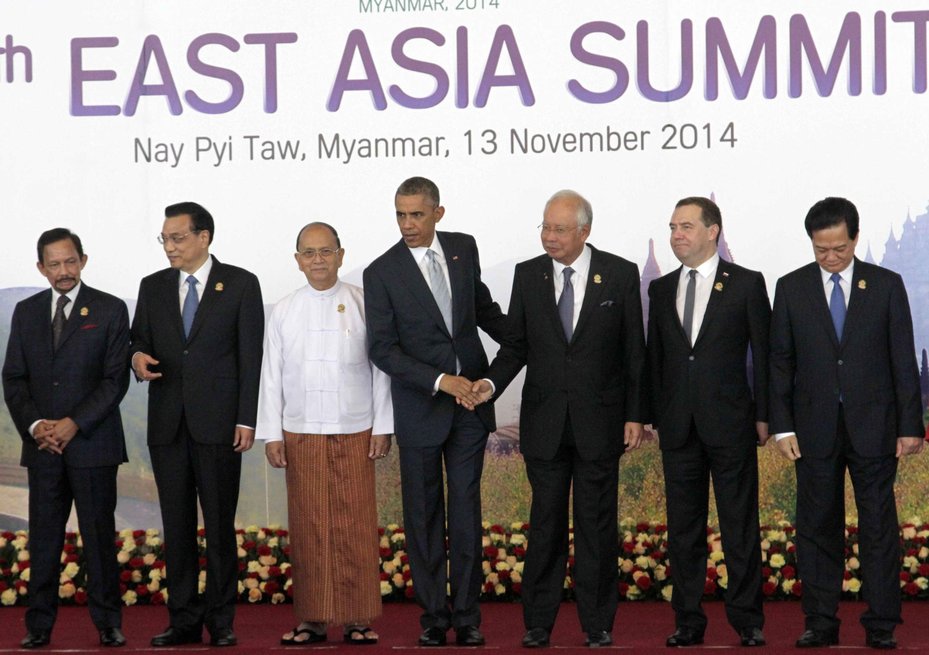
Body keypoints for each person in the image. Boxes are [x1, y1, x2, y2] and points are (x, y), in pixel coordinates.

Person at [475, 190, 648, 648]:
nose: (549, 238)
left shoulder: (619, 273)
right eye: (545, 228)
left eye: (559, 229)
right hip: (545, 424)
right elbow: (516, 345)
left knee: (596, 527)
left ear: (584, 232)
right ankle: (537, 623)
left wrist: (636, 415)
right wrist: (489, 386)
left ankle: (598, 624)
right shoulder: (528, 275)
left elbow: (634, 353)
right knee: (546, 525)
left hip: (601, 423)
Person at [769, 197, 925, 650]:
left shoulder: (886, 284)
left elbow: (903, 358)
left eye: (838, 248)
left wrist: (910, 425)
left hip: (875, 426)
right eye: (821, 250)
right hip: (812, 428)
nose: (830, 257)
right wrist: (782, 427)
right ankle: (820, 621)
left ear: (854, 237)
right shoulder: (791, 287)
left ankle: (881, 624)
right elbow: (780, 361)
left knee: (878, 526)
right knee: (817, 525)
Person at [363, 176, 508, 646]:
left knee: (465, 512)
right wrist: (444, 382)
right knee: (423, 517)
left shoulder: (464, 249)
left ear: (438, 213)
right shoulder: (381, 271)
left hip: (471, 408)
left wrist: (533, 340)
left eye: (417, 215)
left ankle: (467, 617)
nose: (407, 224)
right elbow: (383, 351)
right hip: (423, 407)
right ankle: (434, 618)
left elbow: (483, 312)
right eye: (400, 215)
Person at [130, 202, 264, 648]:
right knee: (178, 526)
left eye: (178, 238)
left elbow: (251, 359)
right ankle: (184, 619)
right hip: (168, 426)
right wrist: (136, 358)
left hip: (221, 425)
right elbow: (139, 340)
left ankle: (221, 620)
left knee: (221, 527)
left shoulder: (242, 284)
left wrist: (247, 418)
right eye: (165, 239)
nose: (170, 246)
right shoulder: (152, 287)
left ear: (204, 237)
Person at [256, 222, 393, 645]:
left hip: (356, 428)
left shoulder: (362, 303)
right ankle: (312, 619)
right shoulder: (284, 308)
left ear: (341, 255)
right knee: (310, 523)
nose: (318, 260)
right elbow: (272, 376)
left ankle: (357, 617)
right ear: (297, 260)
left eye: (326, 251)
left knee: (355, 523)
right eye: (309, 253)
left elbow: (381, 370)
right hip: (300, 430)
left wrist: (383, 426)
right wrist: (272, 434)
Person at [645, 197, 769, 647]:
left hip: (732, 423)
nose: (677, 234)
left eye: (686, 226)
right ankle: (688, 620)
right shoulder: (661, 289)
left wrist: (765, 415)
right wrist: (646, 417)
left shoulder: (747, 284)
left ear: (713, 231)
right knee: (684, 531)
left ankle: (747, 620)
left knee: (739, 526)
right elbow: (654, 359)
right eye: (673, 226)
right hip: (678, 427)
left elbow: (766, 355)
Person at [3, 228, 130, 649]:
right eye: (54, 264)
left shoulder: (111, 310)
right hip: (43, 448)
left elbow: (114, 381)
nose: (64, 271)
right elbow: (14, 379)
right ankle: (38, 626)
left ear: (84, 260)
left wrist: (74, 423)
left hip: (93, 445)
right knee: (43, 541)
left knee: (98, 539)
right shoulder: (25, 311)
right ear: (41, 267)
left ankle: (108, 624)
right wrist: (37, 426)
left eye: (70, 261)